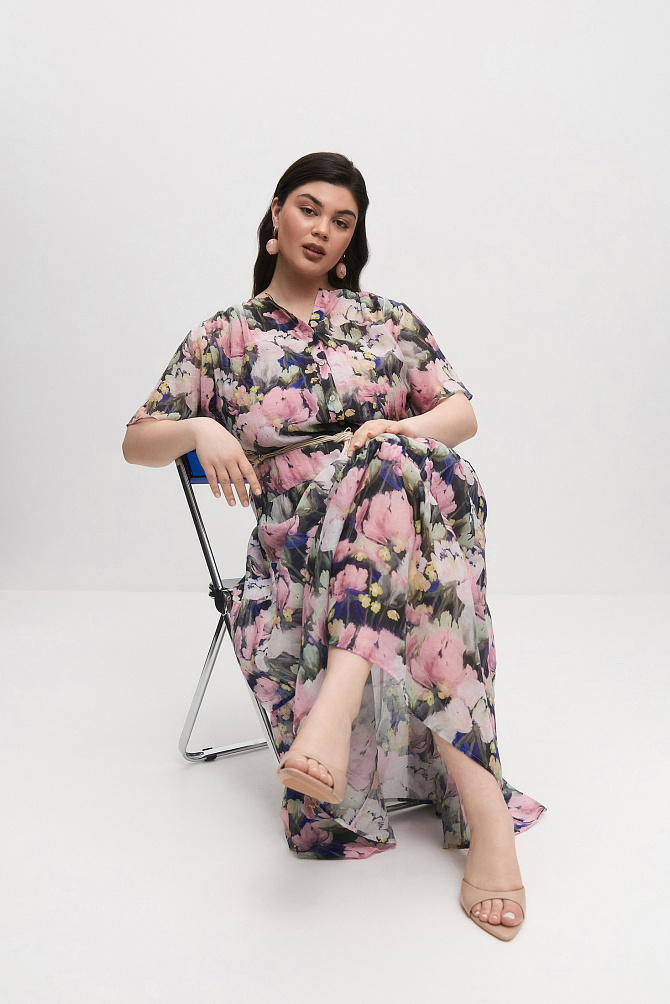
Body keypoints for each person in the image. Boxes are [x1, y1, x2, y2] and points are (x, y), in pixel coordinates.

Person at [123, 151, 547, 941]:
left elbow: (459, 416)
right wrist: (199, 425)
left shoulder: (386, 319)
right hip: (304, 544)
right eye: (310, 209)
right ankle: (486, 819)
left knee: (389, 460)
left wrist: (393, 430)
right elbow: (136, 442)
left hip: (422, 498)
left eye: (342, 221)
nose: (323, 229)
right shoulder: (222, 336)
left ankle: (336, 708)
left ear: (353, 241)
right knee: (421, 540)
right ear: (276, 216)